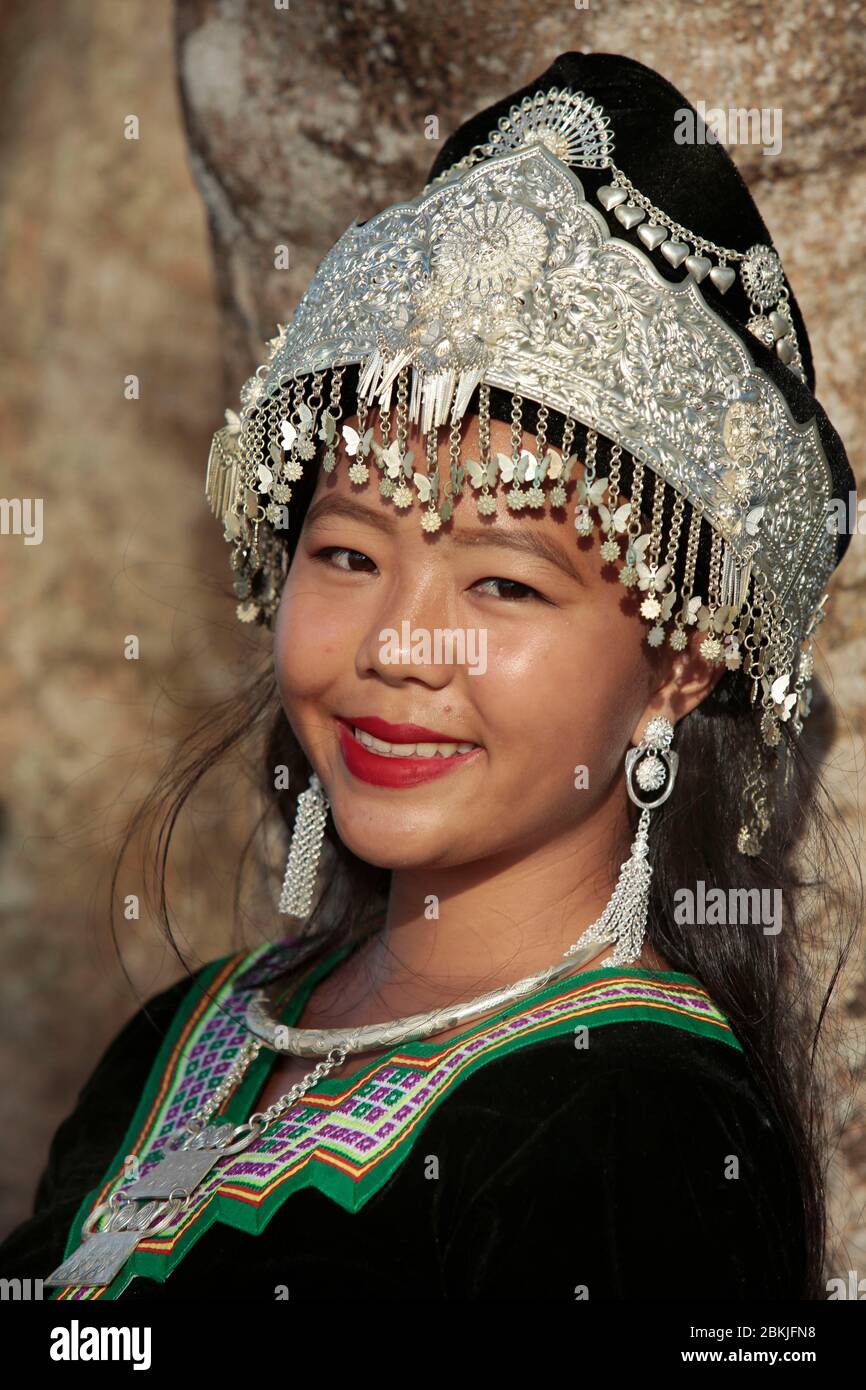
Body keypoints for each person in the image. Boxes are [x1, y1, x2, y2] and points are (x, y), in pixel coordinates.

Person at [1, 51, 858, 1302]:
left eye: (502, 584)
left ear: (678, 666)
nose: (400, 645)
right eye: (347, 552)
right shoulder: (186, 1036)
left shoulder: (638, 1129)